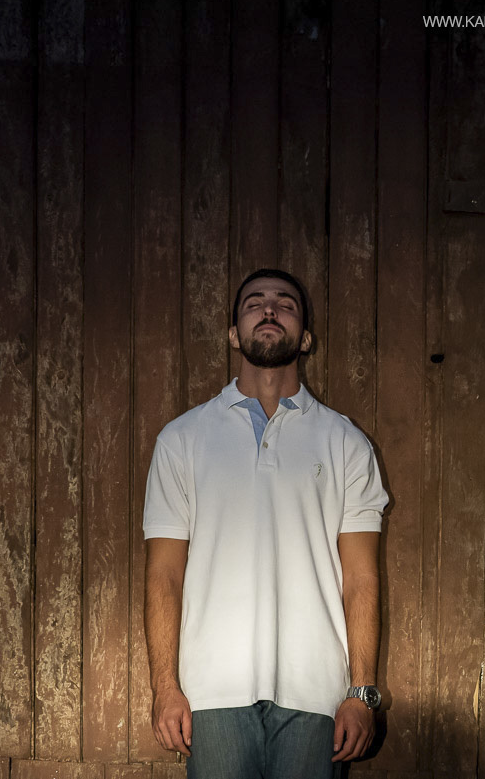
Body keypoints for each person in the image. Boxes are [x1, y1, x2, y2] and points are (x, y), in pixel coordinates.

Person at [143, 268, 389, 778]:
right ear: (234, 333)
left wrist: (360, 693)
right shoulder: (182, 439)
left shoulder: (346, 443)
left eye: (286, 304)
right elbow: (164, 575)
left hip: (317, 695)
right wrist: (165, 688)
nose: (270, 309)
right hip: (211, 693)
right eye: (255, 302)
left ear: (306, 337)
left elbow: (361, 579)